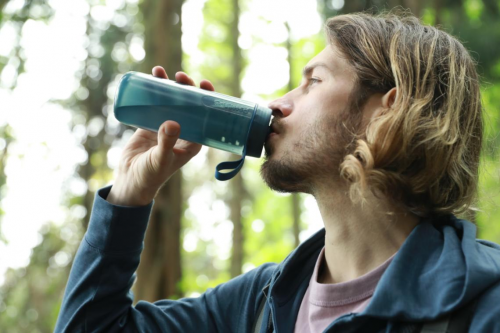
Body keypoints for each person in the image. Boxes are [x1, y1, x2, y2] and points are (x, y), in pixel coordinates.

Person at [55, 12, 500, 333]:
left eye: (314, 81)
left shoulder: (483, 303)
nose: (276, 104)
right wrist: (129, 200)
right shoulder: (258, 305)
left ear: (388, 110)